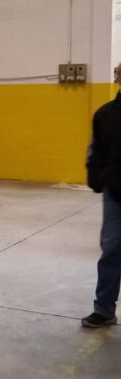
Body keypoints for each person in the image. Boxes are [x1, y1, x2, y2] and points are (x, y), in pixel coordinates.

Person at [84, 62, 121, 328]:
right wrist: (97, 178)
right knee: (112, 251)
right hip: (115, 194)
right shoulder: (105, 114)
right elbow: (96, 150)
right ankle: (104, 309)